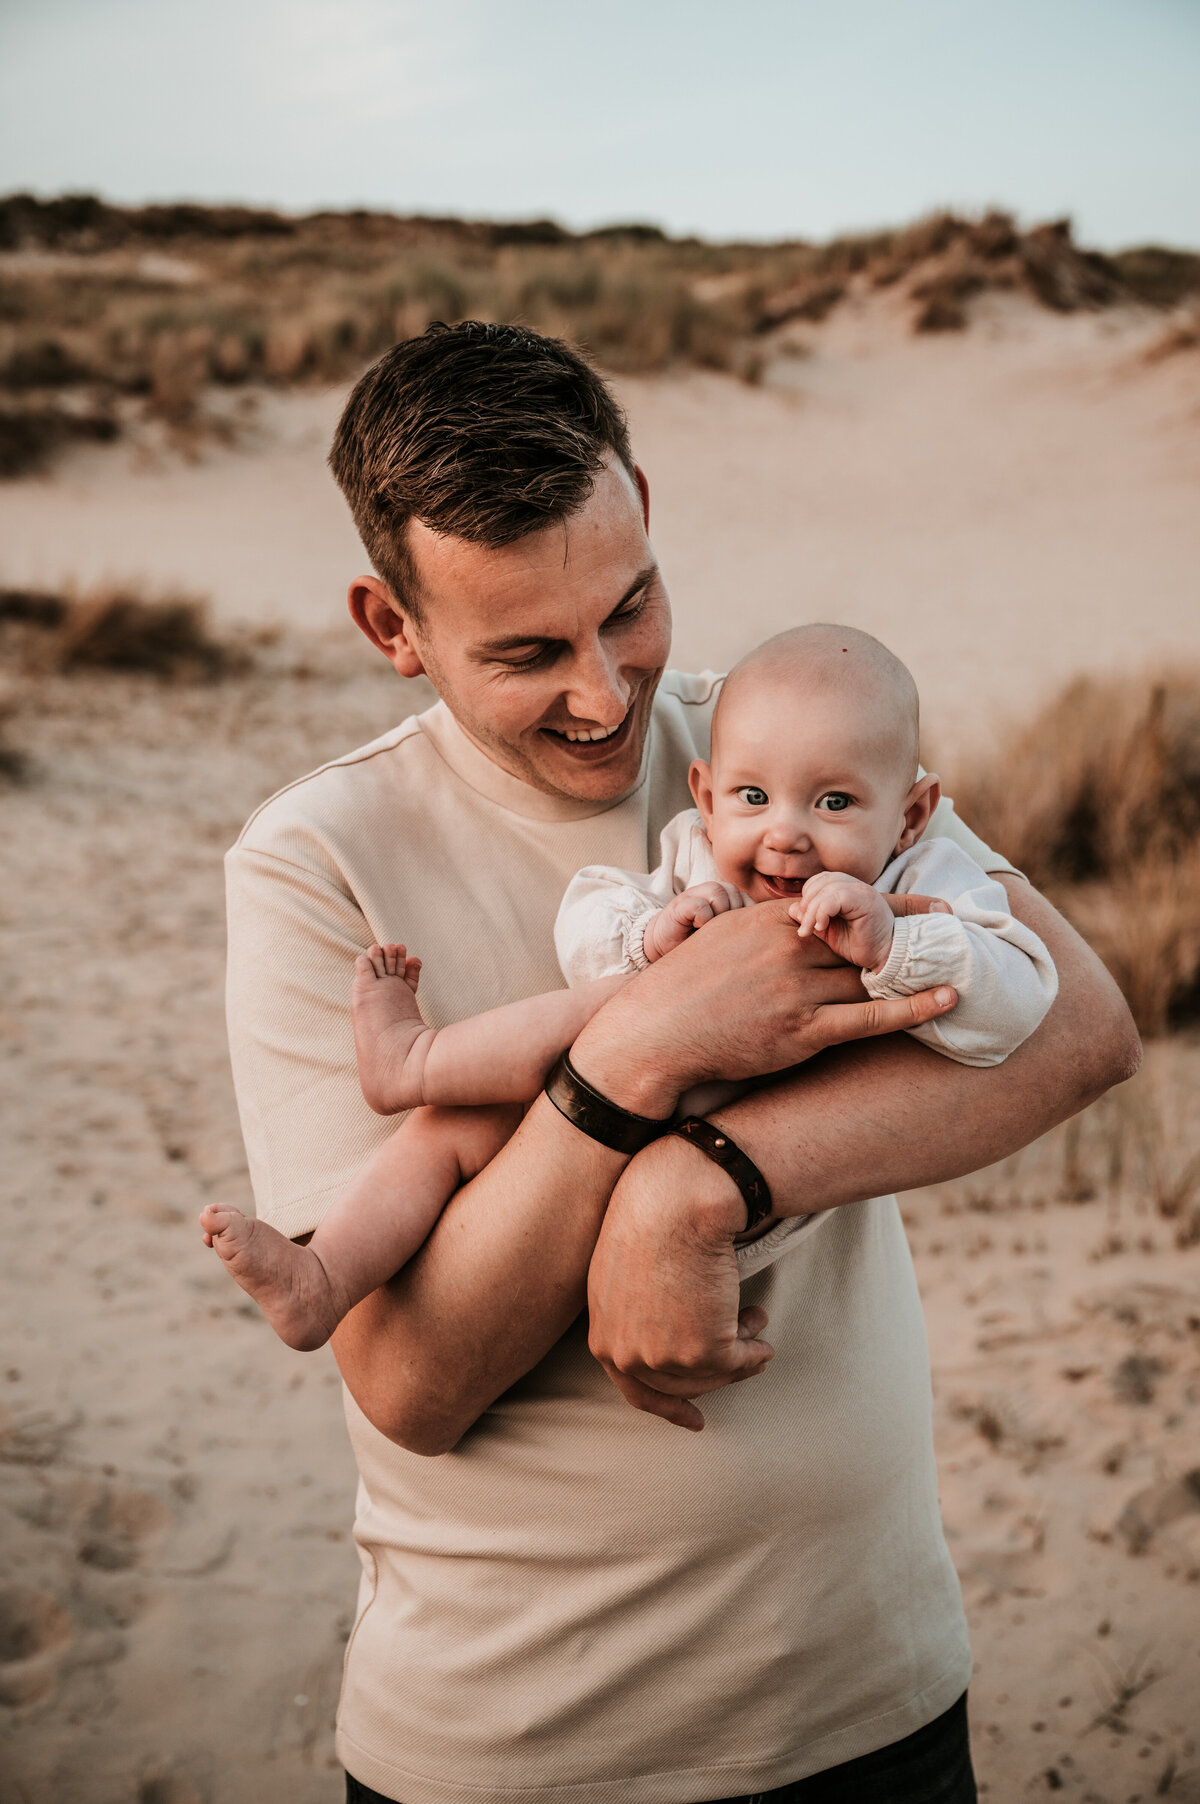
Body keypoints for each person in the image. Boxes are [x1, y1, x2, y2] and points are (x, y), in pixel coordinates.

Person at [222, 322, 1139, 1804]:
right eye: (527, 652)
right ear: (392, 628)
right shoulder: (312, 865)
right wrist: (631, 1064)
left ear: (643, 503)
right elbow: (407, 1383)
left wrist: (699, 1186)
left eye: (628, 607)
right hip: (515, 1746)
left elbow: (1082, 1027)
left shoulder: (780, 738)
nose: (608, 696)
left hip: (871, 1696)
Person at [203, 623, 1058, 1360]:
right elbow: (587, 928)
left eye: (834, 802)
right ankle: (329, 1271)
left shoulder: (927, 877)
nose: (786, 833)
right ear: (708, 796)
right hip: (626, 1110)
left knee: (614, 1023)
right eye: (753, 797)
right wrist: (658, 933)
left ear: (910, 816)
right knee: (452, 1129)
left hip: (751, 1127)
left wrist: (895, 941)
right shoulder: (696, 852)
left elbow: (1019, 1001)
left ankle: (424, 1059)